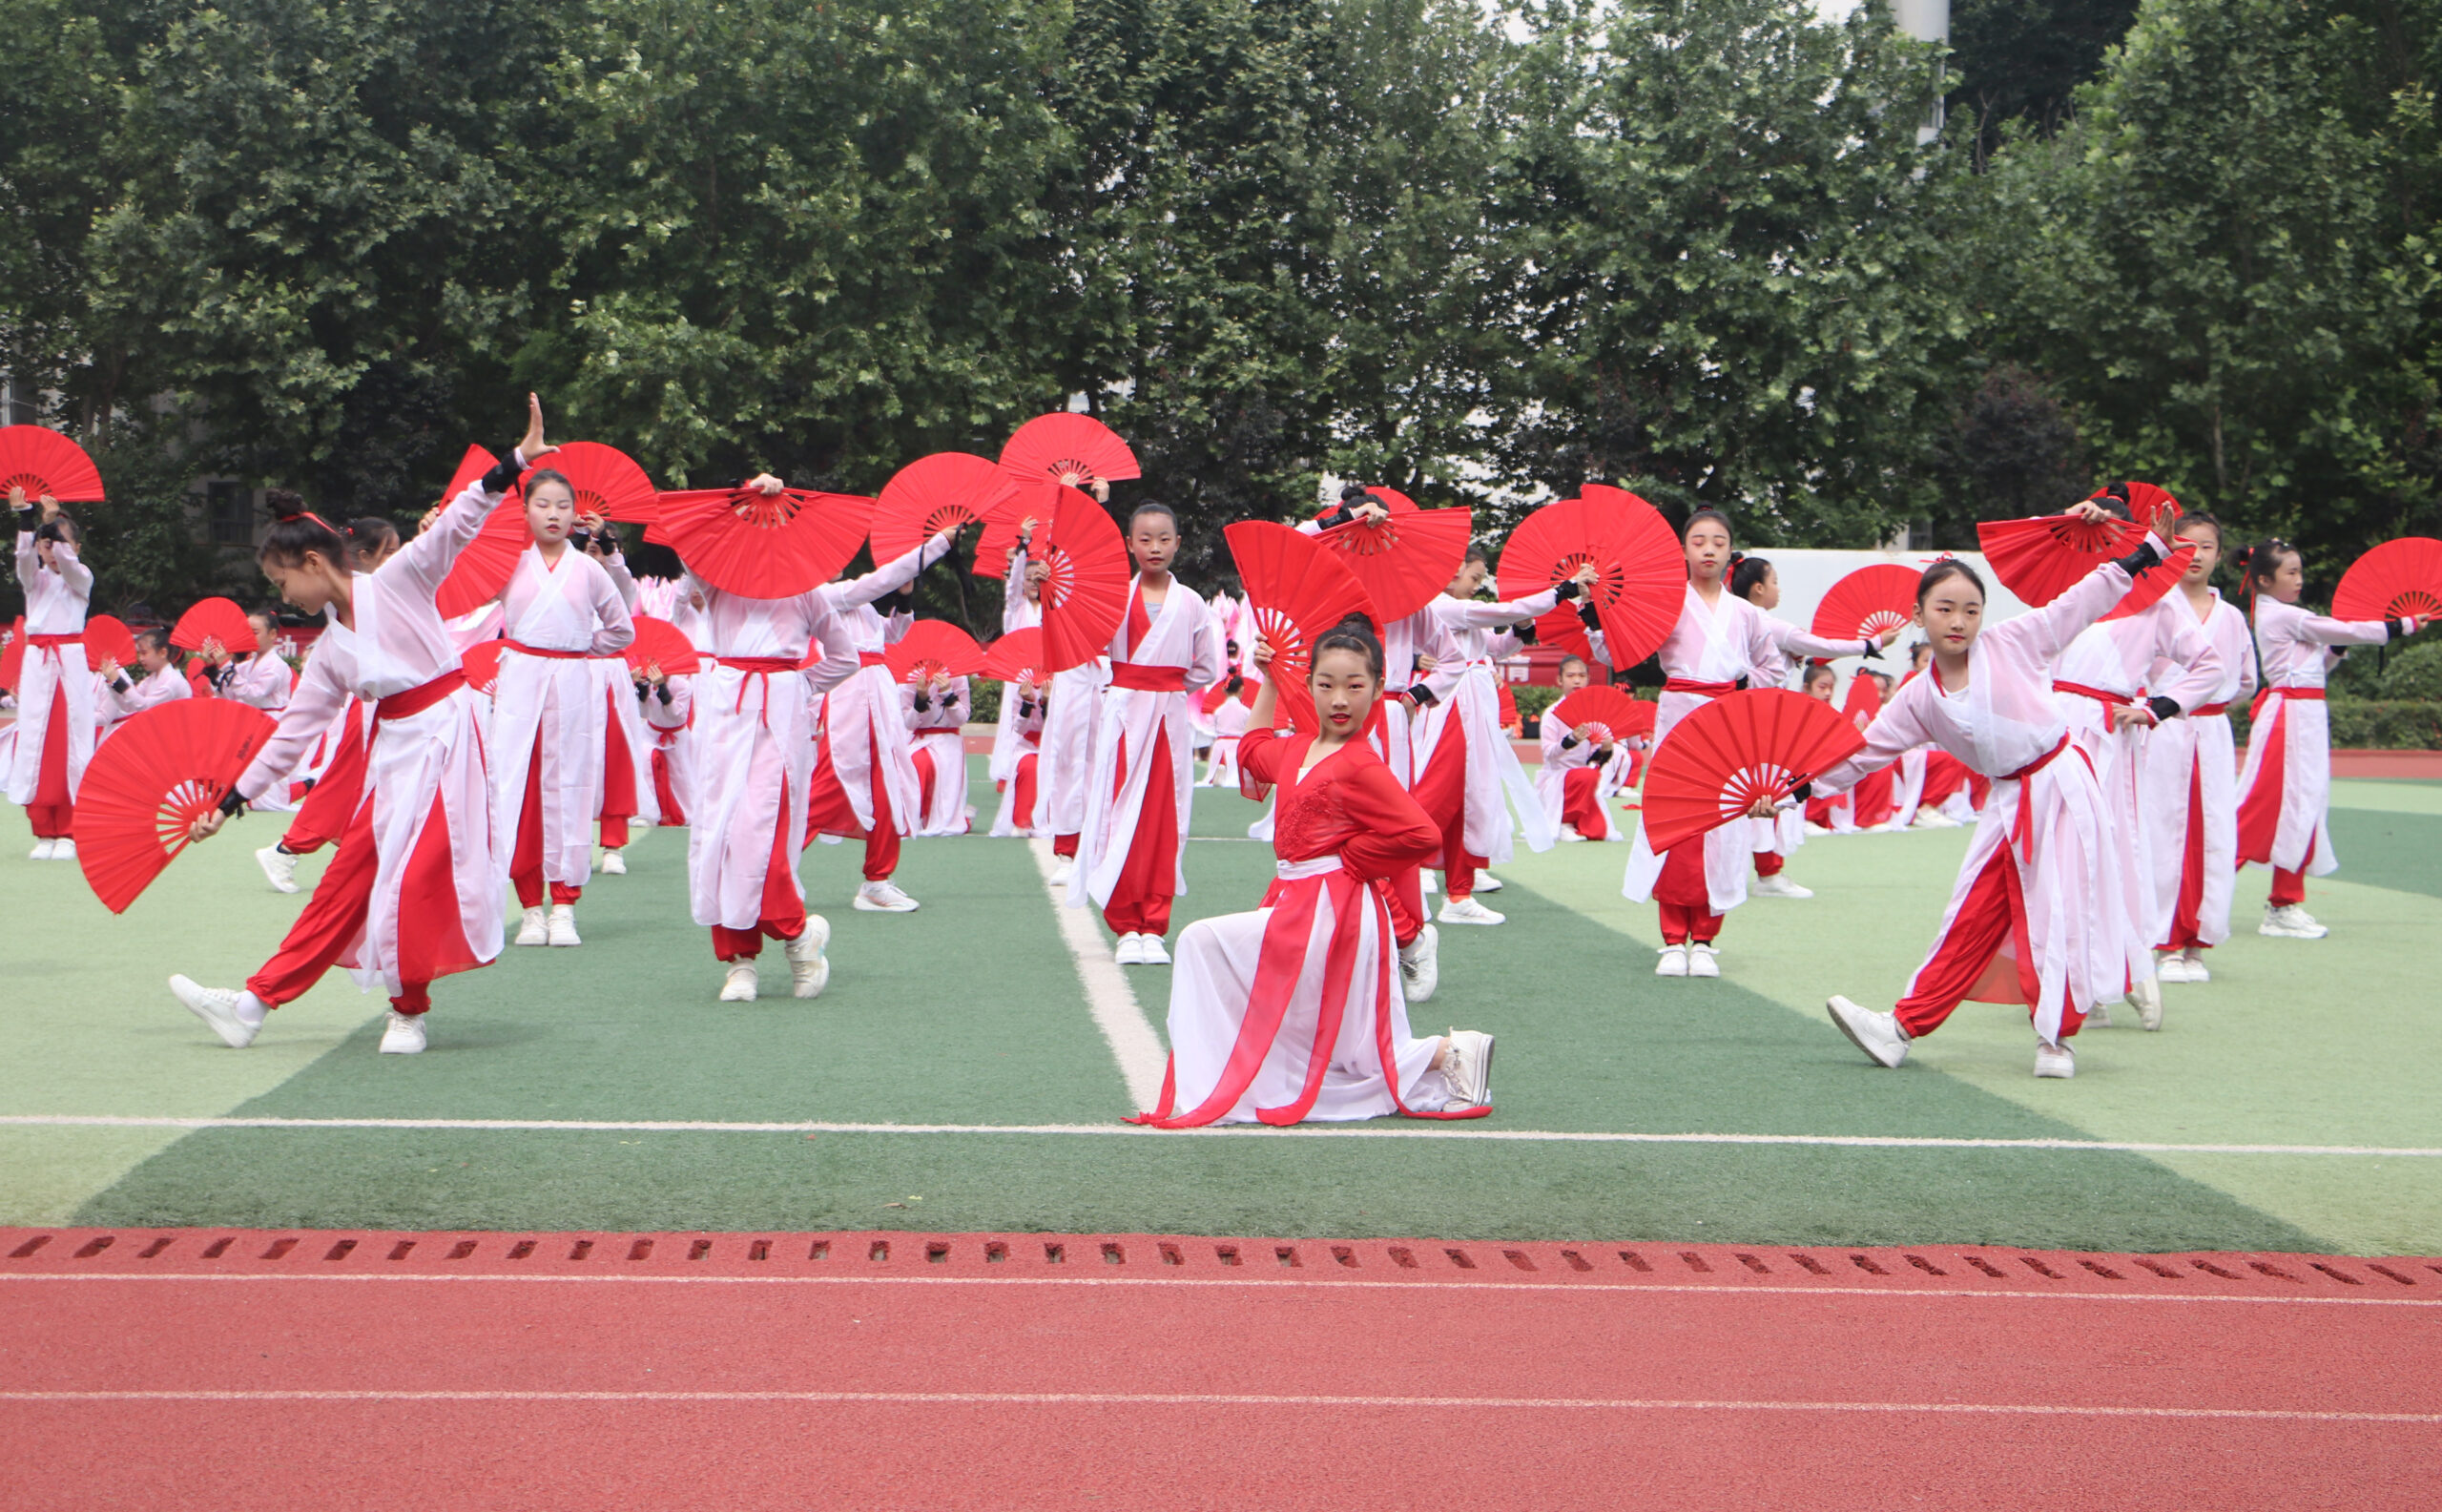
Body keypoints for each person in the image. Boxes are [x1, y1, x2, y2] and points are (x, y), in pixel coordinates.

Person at [166, 397, 552, 1055]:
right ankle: (253, 1005)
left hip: (448, 740)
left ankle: (408, 1011)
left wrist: (515, 461)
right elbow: (289, 736)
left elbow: (454, 525)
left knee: (412, 877)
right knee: (345, 882)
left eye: (282, 581)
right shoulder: (328, 653)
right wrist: (228, 801)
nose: (282, 596)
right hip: (397, 753)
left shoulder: (399, 579)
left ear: (314, 564)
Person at [1818, 498, 2176, 1080]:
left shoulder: (2014, 642)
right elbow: (1862, 755)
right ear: (1918, 616)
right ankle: (1901, 1028)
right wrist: (1792, 792)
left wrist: (2150, 552)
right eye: (1945, 609)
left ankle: (2056, 1040)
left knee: (2057, 912)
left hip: (2062, 790)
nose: (1958, 621)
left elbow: (2079, 602)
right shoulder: (1916, 697)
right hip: (2009, 804)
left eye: (1970, 610)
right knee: (1970, 915)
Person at [1131, 620, 1494, 1127]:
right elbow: (1252, 749)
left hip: (1336, 911)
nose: (1340, 699)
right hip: (1301, 902)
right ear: (1311, 686)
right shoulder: (1299, 747)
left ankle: (1223, 1084)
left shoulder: (1361, 763)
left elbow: (1422, 835)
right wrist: (1271, 677)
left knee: (1200, 941)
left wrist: (1352, 860)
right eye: (1326, 685)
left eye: (1355, 686)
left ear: (1376, 687)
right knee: (1347, 1039)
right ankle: (1454, 1053)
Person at [1624, 510, 1892, 977]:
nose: (1708, 549)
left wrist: (1743, 686)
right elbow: (1618, 650)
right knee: (1676, 817)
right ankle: (1671, 938)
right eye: (1698, 541)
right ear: (1683, 549)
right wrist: (1592, 610)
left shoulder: (1747, 614)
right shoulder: (1666, 602)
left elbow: (1770, 668)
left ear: (1731, 552)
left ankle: (1705, 938)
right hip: (1679, 716)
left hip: (1727, 719)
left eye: (1718, 542)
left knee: (1725, 822)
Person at [676, 472, 876, 1002]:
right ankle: (744, 960)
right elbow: (692, 547)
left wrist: (799, 684)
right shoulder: (717, 582)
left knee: (758, 835)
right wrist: (744, 496)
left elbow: (845, 657)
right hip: (726, 710)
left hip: (780, 721)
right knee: (720, 836)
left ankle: (794, 941)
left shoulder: (806, 592)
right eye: (751, 530)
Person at [2043, 489, 2227, 1025]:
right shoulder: (2069, 588)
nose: (2102, 542)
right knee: (2052, 854)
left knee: (2106, 850)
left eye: (2112, 534)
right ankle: (2069, 973)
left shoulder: (2158, 598)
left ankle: (2120, 971)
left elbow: (2209, 667)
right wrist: (2080, 512)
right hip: (2052, 731)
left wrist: (2156, 707)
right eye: (2095, 534)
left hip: (2107, 734)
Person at [2231, 538, 2421, 939]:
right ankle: (2194, 892)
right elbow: (2339, 628)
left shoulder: (2288, 616)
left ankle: (2284, 903)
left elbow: (2318, 666)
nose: (2299, 579)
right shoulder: (2282, 616)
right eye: (2291, 572)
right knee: (2259, 806)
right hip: (2287, 717)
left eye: (2300, 571)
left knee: (2305, 806)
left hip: (2307, 716)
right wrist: (2398, 625)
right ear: (2264, 580)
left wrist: (2335, 650)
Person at [1069, 502, 1226, 964]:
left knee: (1163, 820)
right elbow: (1088, 648)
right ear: (1129, 543)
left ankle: (1154, 925)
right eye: (1144, 538)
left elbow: (1205, 667)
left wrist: (1168, 690)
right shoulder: (1113, 596)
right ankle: (1125, 926)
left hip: (1168, 722)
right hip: (1123, 717)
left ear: (1178, 543)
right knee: (1119, 816)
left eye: (1163, 538)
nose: (1154, 547)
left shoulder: (1193, 603)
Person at [1405, 544, 1587, 927]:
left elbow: (1499, 646)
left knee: (1472, 798)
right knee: (1436, 793)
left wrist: (1524, 625)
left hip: (1474, 707)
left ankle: (1459, 892)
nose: (1476, 585)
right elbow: (1500, 612)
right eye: (1474, 577)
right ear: (1454, 571)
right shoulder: (1439, 606)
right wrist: (1560, 591)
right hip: (1450, 705)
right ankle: (1399, 875)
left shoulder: (1462, 615)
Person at [488, 483, 636, 947]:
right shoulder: (507, 564)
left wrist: (580, 647)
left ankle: (565, 905)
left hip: (572, 684)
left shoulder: (588, 570)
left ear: (576, 513)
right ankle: (531, 908)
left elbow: (621, 628)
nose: (553, 514)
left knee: (569, 788)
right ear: (525, 511)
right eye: (542, 504)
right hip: (520, 683)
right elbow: (465, 617)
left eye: (563, 505)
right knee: (520, 792)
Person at [800, 532, 956, 910]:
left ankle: (877, 879)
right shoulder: (822, 594)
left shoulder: (859, 605)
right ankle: (769, 870)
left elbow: (893, 635)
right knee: (829, 782)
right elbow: (873, 584)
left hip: (877, 694)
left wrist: (904, 598)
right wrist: (936, 545)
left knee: (888, 784)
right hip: (849, 696)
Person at [253, 514, 400, 894]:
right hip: (370, 711)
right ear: (364, 556)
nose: (398, 559)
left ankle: (302, 850)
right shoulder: (350, 614)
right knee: (346, 780)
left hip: (403, 715)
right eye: (391, 552)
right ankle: (290, 849)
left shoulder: (394, 594)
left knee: (356, 785)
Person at [2140, 513, 2254, 982]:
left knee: (2211, 832)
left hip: (2212, 733)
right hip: (2161, 731)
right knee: (2162, 829)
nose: (2196, 554)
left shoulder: (2231, 617)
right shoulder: (2153, 607)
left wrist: (2213, 703)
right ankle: (2164, 939)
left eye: (2206, 546)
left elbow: (2245, 680)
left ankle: (2197, 941)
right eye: (2185, 544)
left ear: (2219, 555)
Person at [8, 488, 95, 860]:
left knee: (70, 744)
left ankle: (71, 831)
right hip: (39, 663)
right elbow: (24, 561)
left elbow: (71, 568)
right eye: (44, 544)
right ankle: (44, 829)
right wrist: (28, 519)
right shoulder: (36, 581)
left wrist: (53, 527)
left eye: (57, 542)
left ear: (74, 546)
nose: (49, 548)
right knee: (36, 744)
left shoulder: (81, 577)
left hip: (69, 663)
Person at [1729, 554, 1818, 895]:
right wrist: (1868, 644)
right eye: (1775, 581)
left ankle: (1759, 870)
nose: (1779, 589)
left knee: (1761, 792)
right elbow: (1820, 645)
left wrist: (1790, 657)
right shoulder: (1765, 622)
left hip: (1756, 719)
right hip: (1757, 723)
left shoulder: (1735, 620)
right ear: (1758, 588)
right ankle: (1767, 873)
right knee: (1766, 791)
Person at [1536, 654, 1627, 843]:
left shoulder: (1593, 711)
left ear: (1588, 679)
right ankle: (1564, 821)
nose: (1576, 680)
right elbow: (1549, 753)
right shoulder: (1552, 714)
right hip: (1558, 776)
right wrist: (1570, 740)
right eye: (1570, 676)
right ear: (1560, 680)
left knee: (1599, 832)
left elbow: (1593, 758)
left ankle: (1575, 820)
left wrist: (1605, 751)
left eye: (1581, 675)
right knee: (1588, 775)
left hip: (1583, 777)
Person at [904, 669, 973, 836]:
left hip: (949, 741)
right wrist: (920, 699)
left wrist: (948, 694)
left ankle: (941, 816)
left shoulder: (958, 677)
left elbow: (962, 718)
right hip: (921, 740)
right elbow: (909, 723)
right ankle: (917, 815)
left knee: (944, 784)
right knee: (919, 763)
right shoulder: (910, 678)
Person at [987, 672, 1048, 838]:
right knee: (1028, 766)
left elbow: (1063, 724)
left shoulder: (1064, 682)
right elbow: (1019, 728)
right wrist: (1027, 703)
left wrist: (1047, 703)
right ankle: (1023, 821)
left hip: (1057, 745)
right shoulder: (1023, 681)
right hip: (1029, 744)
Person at [100, 626, 194, 729]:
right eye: (139, 653)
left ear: (163, 653)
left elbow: (145, 707)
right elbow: (129, 707)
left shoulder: (172, 681)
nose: (140, 658)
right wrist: (113, 682)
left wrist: (119, 683)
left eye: (144, 653)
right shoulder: (151, 679)